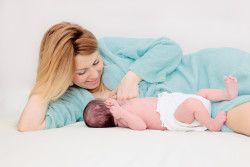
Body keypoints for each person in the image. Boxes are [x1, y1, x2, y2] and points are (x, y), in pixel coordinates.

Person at [18, 22, 250, 136]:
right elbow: (28, 126)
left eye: (96, 62)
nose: (94, 74)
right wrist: (46, 82)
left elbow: (169, 48)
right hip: (204, 110)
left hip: (205, 71)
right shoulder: (75, 101)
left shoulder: (108, 48)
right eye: (80, 72)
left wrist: (133, 77)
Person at [83, 76, 237, 132]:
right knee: (192, 104)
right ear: (108, 105)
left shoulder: (123, 108)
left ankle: (227, 94)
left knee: (202, 94)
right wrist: (122, 113)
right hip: (173, 117)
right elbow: (141, 125)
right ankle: (212, 125)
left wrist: (123, 105)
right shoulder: (123, 120)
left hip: (173, 105)